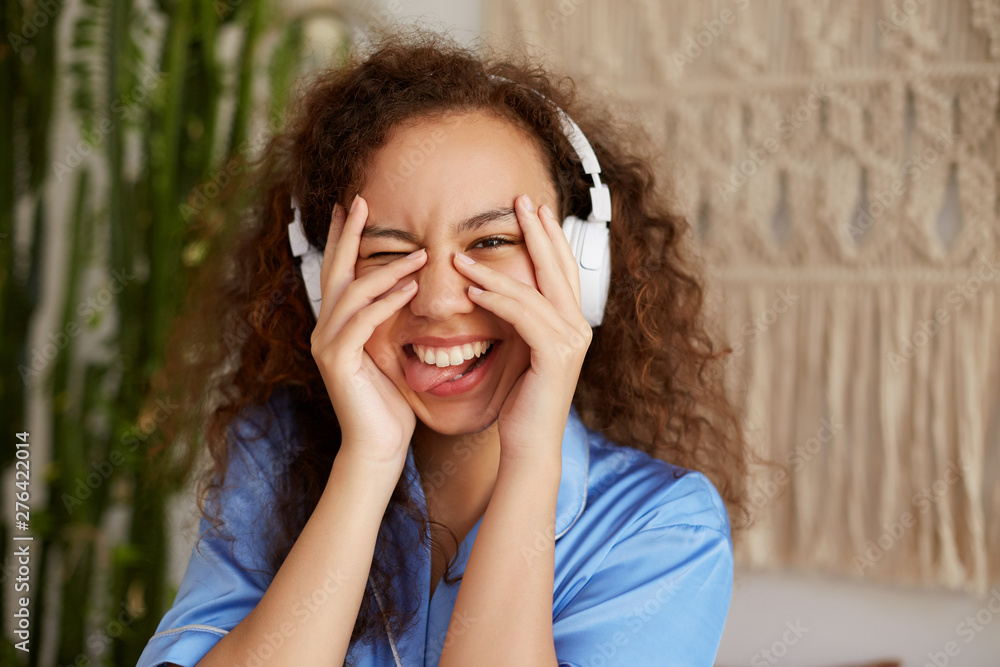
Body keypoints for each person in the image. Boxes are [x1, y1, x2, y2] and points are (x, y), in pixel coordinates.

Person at [137, 27, 750, 667]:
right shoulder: (276, 452)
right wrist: (369, 461)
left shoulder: (664, 528)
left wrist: (532, 457)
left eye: (490, 243)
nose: (437, 300)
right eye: (389, 254)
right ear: (326, 286)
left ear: (580, 266)